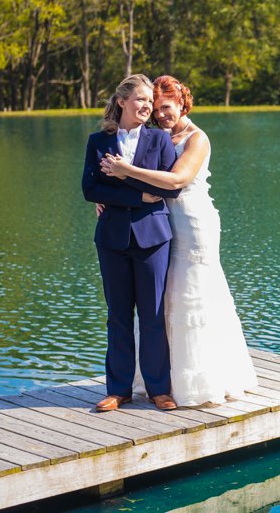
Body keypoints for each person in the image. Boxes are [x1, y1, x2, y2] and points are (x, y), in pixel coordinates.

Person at [100, 76, 258, 406]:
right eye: (156, 109)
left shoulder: (196, 138)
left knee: (193, 294)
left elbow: (178, 180)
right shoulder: (154, 137)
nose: (160, 115)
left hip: (193, 222)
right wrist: (111, 197)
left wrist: (125, 171)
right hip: (158, 224)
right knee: (164, 300)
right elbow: (112, 179)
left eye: (167, 108)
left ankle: (204, 380)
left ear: (183, 104)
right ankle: (162, 379)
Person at [81, 74, 180, 412]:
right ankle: (118, 390)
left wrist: (123, 179)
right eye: (140, 100)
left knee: (152, 315)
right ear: (122, 101)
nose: (147, 107)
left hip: (153, 239)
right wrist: (140, 194)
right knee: (118, 316)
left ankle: (158, 389)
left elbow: (170, 189)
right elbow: (90, 190)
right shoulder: (98, 141)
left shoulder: (159, 140)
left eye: (150, 102)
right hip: (111, 238)